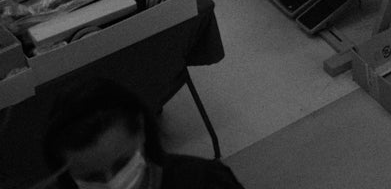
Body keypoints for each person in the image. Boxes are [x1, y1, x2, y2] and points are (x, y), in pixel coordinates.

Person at [43, 78, 245, 189]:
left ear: (140, 130)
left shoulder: (204, 181)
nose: (113, 184)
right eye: (93, 178)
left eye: (122, 165)